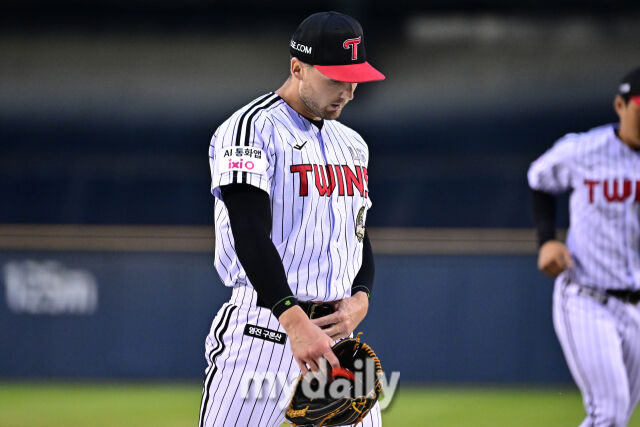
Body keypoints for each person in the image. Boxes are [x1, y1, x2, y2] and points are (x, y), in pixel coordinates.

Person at [198, 11, 385, 427]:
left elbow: (357, 231)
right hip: (263, 332)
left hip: (335, 341)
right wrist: (293, 319)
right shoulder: (250, 129)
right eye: (336, 79)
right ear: (297, 68)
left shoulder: (353, 144)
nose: (348, 92)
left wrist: (361, 297)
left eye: (354, 79)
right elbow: (249, 232)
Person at [528, 67, 640, 427]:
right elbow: (539, 178)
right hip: (587, 295)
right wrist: (547, 240)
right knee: (609, 413)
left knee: (616, 418)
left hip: (636, 306)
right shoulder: (583, 149)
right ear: (620, 105)